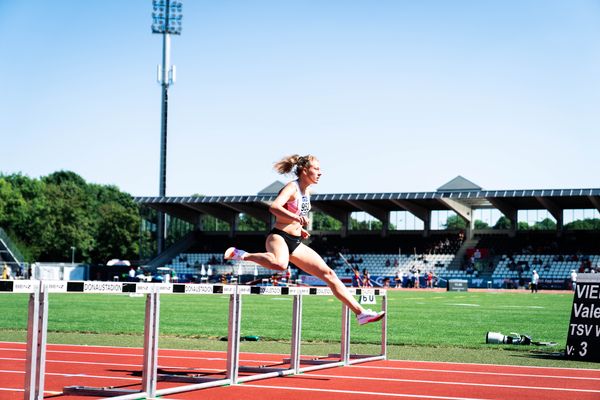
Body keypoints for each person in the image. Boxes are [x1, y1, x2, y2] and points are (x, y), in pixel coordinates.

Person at [224, 154, 384, 325]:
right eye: (316, 169)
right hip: (278, 236)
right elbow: (275, 207)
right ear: (304, 170)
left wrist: (300, 229)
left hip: (295, 241)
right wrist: (296, 218)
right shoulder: (291, 187)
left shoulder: (306, 192)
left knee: (329, 274)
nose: (320, 173)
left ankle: (361, 313)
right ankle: (242, 254)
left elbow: (296, 214)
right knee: (280, 265)